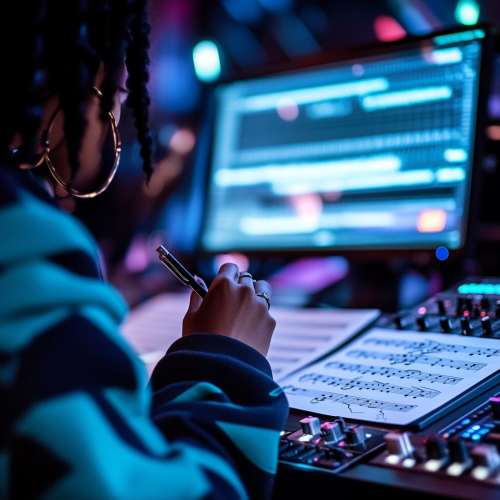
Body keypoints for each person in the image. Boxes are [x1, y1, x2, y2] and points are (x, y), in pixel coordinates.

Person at [0, 1, 288, 499]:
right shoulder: (19, 244)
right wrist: (225, 358)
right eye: (120, 94)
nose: (117, 113)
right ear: (80, 85)